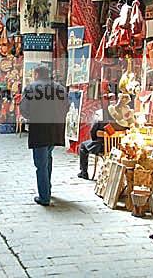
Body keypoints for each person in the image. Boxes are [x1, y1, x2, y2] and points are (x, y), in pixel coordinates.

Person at [20, 65, 68, 206]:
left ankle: (44, 197)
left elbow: (24, 109)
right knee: (47, 158)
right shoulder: (60, 88)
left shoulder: (31, 88)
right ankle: (47, 190)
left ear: (36, 74)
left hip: (39, 129)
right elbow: (66, 106)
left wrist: (32, 116)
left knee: (40, 164)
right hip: (55, 129)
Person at [78, 109, 108, 180]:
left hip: (100, 146)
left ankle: (84, 172)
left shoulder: (100, 117)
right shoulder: (119, 118)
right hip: (116, 147)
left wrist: (94, 139)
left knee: (82, 146)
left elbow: (92, 132)